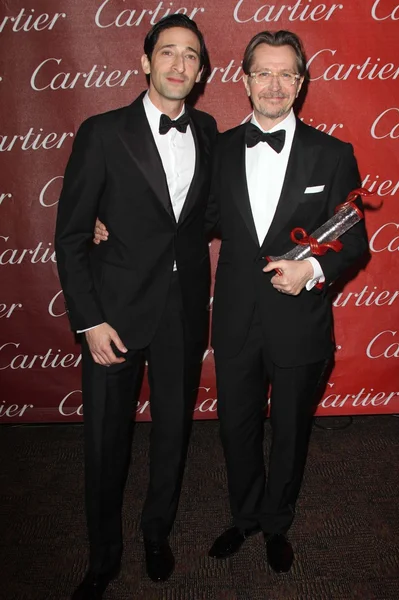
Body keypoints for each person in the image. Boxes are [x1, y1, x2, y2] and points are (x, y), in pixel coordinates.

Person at [55, 14, 217, 599]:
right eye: (168, 53)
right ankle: (102, 558)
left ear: (201, 72)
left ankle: (157, 531)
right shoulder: (102, 132)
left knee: (173, 431)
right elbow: (71, 236)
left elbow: (206, 217)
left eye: (191, 56)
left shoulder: (208, 131)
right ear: (146, 62)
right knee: (105, 442)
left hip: (181, 311)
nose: (179, 65)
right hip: (113, 316)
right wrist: (89, 320)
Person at [207, 30, 369, 573]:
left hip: (299, 320)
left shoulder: (332, 153)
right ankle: (246, 515)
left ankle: (277, 521)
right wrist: (112, 224)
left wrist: (312, 268)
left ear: (300, 83)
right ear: (246, 80)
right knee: (237, 426)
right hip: (233, 317)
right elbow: (188, 222)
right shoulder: (220, 148)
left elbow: (352, 240)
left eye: (286, 74)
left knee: (292, 430)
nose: (274, 85)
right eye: (263, 73)